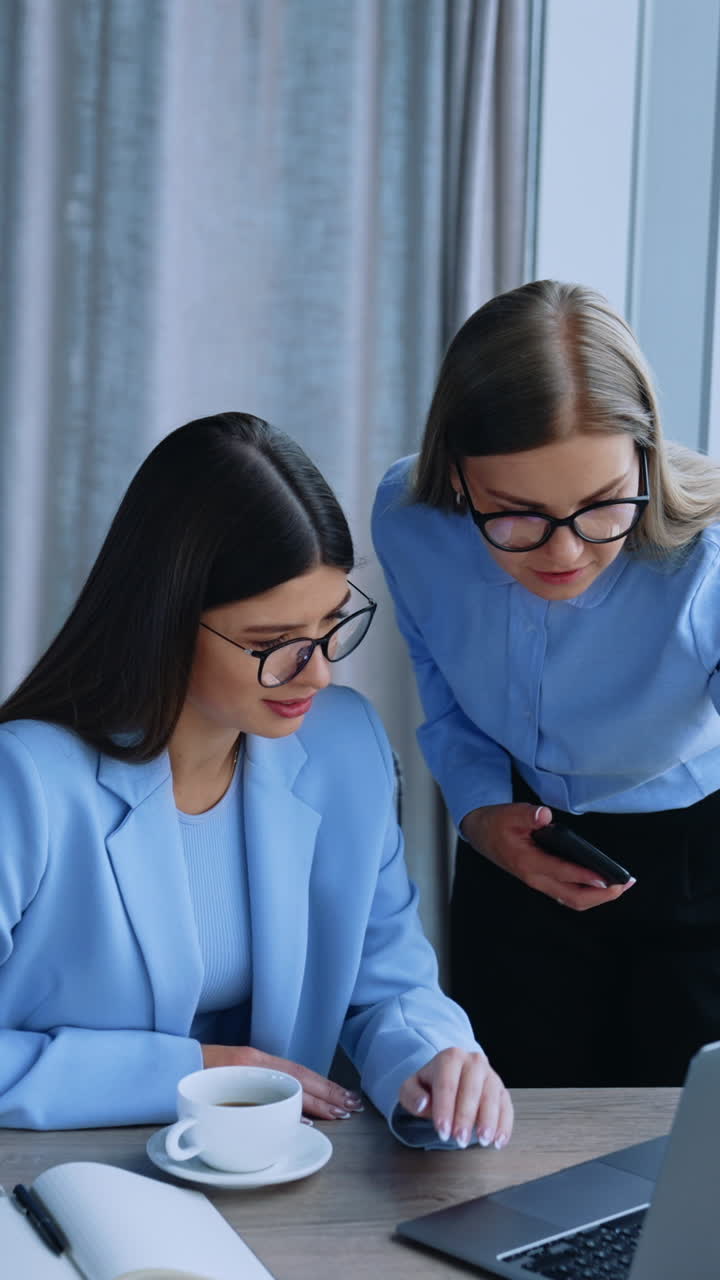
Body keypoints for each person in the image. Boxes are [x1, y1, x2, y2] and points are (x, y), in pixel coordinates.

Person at [0, 411, 512, 1151]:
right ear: (165, 619)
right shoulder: (26, 780)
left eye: (330, 625)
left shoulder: (345, 746)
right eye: (272, 644)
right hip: (62, 1177)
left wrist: (431, 1056)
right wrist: (193, 1072)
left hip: (276, 1176)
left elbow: (386, 979)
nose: (320, 672)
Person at [372, 279, 720, 1089]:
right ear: (456, 476)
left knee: (676, 1159)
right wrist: (479, 809)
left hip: (696, 865)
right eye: (516, 514)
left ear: (645, 452)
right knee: (505, 1137)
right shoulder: (408, 518)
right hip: (518, 841)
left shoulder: (706, 554)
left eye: (602, 506)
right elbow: (439, 676)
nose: (564, 553)